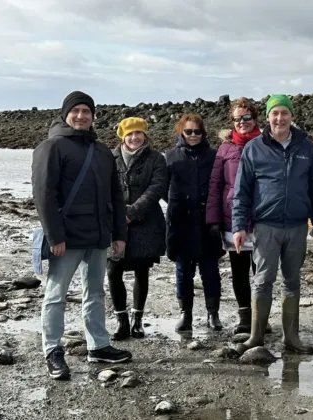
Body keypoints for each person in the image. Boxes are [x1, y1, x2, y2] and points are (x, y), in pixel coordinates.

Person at [32, 91, 132, 380]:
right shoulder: (51, 147)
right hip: (67, 237)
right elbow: (43, 195)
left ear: (93, 116)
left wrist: (118, 233)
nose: (80, 116)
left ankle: (98, 345)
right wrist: (55, 236)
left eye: (86, 111)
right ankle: (52, 351)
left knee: (96, 292)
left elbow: (115, 194)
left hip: (99, 235)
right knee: (55, 296)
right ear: (66, 114)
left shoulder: (101, 150)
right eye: (75, 110)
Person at [232, 94, 313, 354]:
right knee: (262, 281)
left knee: (292, 281)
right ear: (268, 117)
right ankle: (256, 337)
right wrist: (239, 226)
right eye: (275, 113)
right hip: (266, 226)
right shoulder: (254, 148)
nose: (280, 118)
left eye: (284, 113)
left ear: (292, 116)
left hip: (297, 226)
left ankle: (291, 337)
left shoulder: (306, 147)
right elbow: (241, 191)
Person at [206, 98, 270, 335]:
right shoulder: (225, 149)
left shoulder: (267, 143)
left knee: (262, 271)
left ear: (254, 119)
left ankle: (262, 316)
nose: (242, 122)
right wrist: (213, 220)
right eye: (237, 118)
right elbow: (215, 185)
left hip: (263, 217)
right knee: (239, 270)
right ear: (231, 121)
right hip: (233, 218)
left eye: (247, 117)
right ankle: (245, 317)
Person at [107, 117, 168, 340]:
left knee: (142, 271)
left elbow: (157, 188)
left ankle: (137, 321)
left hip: (146, 223)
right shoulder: (109, 158)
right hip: (115, 223)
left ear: (145, 135)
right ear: (123, 136)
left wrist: (132, 213)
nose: (134, 137)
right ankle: (121, 321)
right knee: (113, 271)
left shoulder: (156, 159)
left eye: (138, 133)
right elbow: (102, 186)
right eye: (130, 133)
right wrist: (117, 214)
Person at [164, 113, 225, 332]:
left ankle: (213, 314)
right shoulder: (170, 156)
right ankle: (185, 314)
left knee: (210, 270)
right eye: (188, 131)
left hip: (208, 222)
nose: (192, 135)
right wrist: (178, 204)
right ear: (181, 132)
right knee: (183, 270)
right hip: (180, 221)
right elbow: (162, 188)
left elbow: (221, 185)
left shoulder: (213, 155)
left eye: (197, 131)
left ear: (203, 133)